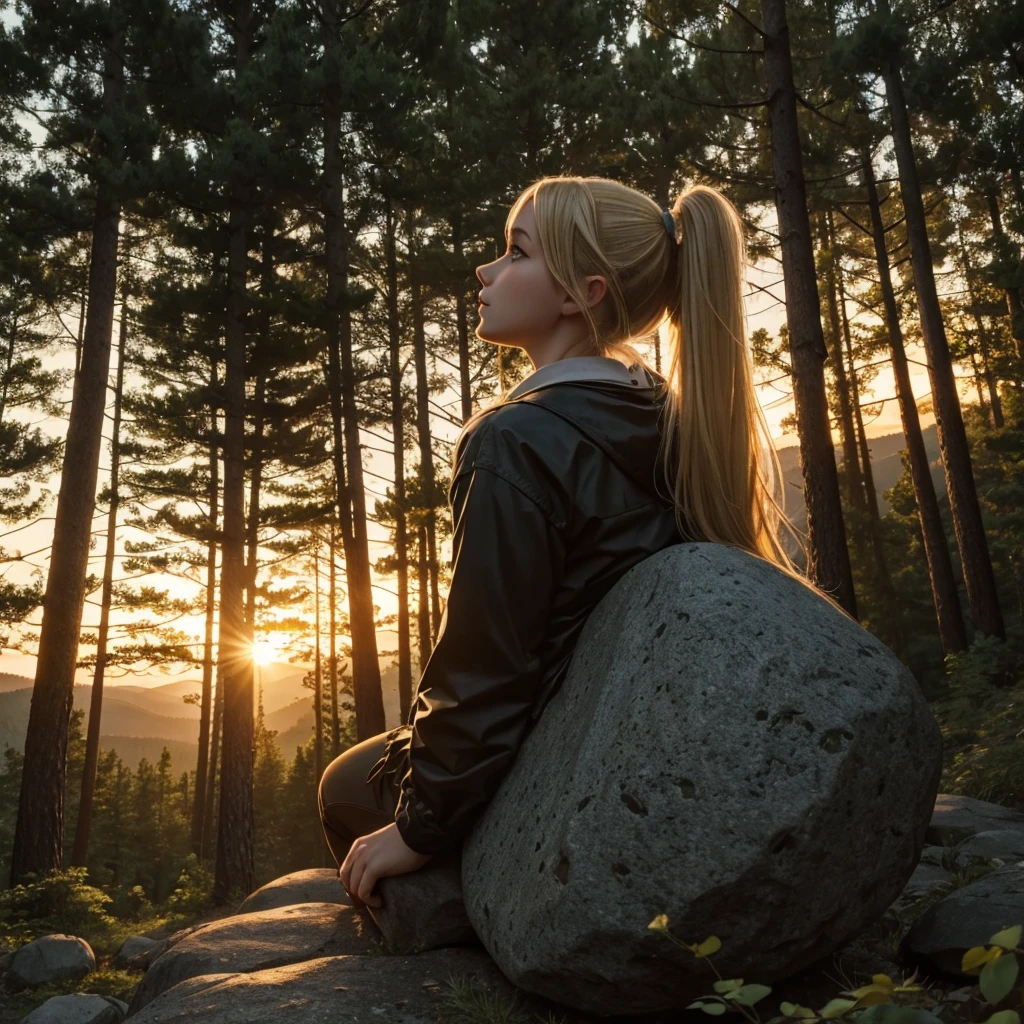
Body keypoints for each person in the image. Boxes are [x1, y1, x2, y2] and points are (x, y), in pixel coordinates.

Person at [318, 174, 800, 909]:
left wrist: (419, 827)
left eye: (516, 253)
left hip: (555, 755)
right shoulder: (669, 416)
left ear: (582, 293)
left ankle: (469, 927)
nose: (486, 270)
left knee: (346, 786)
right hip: (623, 736)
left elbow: (488, 665)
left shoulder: (516, 440)